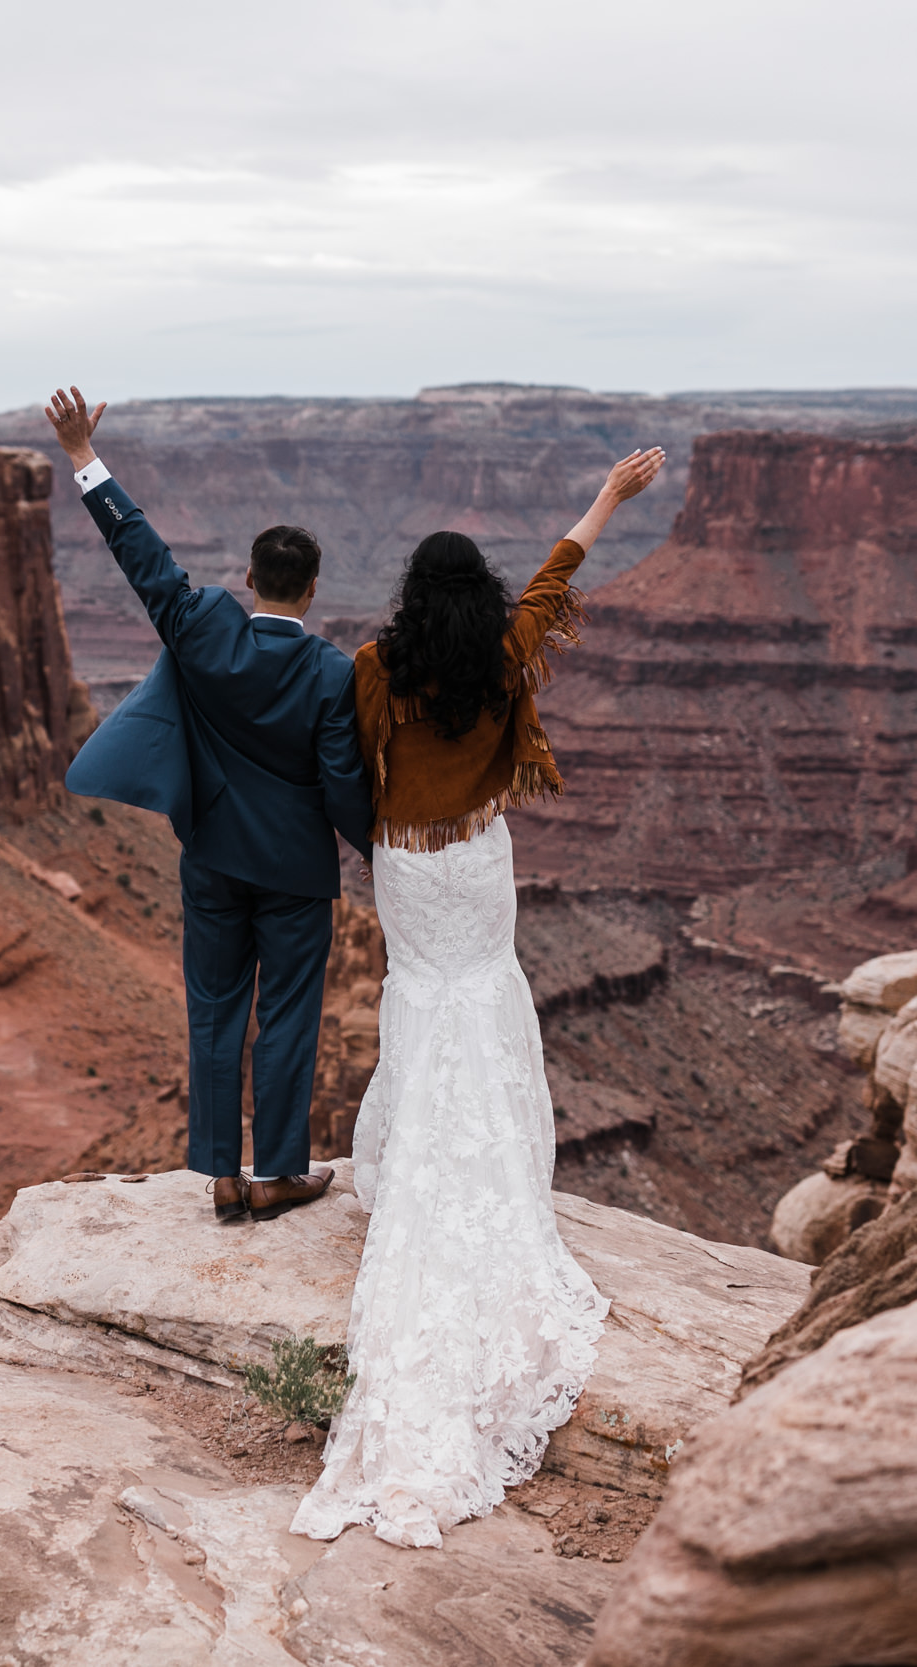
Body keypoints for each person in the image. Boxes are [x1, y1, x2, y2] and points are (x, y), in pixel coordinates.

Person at [291, 445, 667, 1550]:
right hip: (477, 857)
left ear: (414, 597)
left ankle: (410, 1154)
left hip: (406, 861)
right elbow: (557, 581)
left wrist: (370, 832)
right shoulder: (505, 652)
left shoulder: (374, 663)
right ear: (480, 598)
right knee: (482, 995)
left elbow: (352, 764)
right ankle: (495, 1161)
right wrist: (610, 494)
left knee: (421, 998)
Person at [44, 386, 374, 1223]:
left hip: (214, 859)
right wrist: (383, 851)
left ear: (253, 579)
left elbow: (141, 554)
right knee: (290, 1016)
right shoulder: (334, 675)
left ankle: (223, 1174)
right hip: (298, 871)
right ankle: (280, 1173)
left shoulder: (202, 629)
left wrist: (85, 458)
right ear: (311, 591)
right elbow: (342, 782)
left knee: (217, 1007)